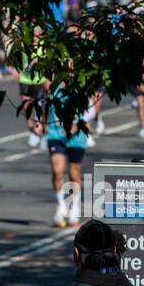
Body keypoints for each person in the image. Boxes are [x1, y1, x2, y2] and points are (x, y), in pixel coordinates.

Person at [34, 81, 90, 226]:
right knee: (57, 171)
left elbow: (91, 107)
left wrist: (78, 125)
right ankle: (61, 205)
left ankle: (74, 207)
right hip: (55, 134)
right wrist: (40, 122)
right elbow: (42, 103)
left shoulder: (81, 83)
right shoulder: (49, 84)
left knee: (74, 174)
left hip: (77, 136)